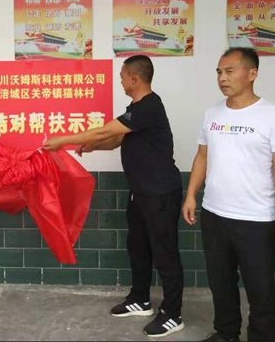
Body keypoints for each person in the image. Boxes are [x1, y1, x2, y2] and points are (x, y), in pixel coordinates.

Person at [44, 55, 185, 338]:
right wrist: (92, 146)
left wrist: (64, 140)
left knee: (165, 254)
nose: (120, 81)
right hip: (140, 193)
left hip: (160, 193)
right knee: (138, 248)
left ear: (134, 78)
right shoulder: (136, 109)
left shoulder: (149, 106)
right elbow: (117, 139)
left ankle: (173, 315)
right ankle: (141, 300)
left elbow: (106, 130)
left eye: (122, 76)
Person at [182, 48, 275, 342]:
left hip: (256, 219)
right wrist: (191, 194)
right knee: (221, 283)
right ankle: (226, 333)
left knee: (260, 289)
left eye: (230, 71)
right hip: (215, 214)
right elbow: (202, 156)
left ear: (252, 74)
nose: (223, 78)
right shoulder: (212, 113)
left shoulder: (273, 115)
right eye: (219, 72)